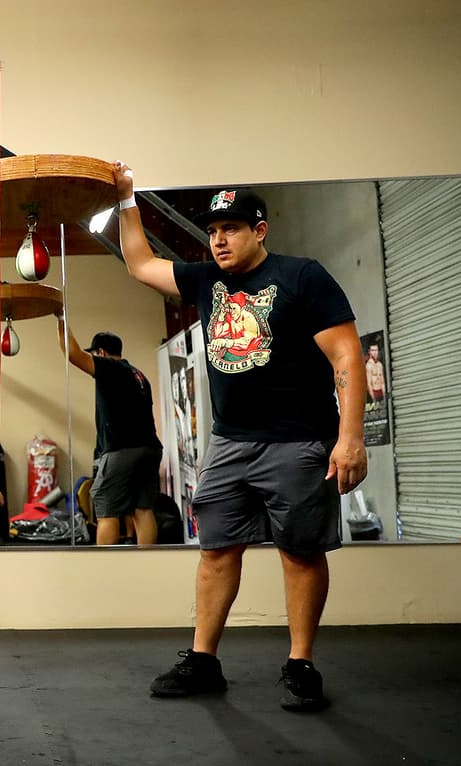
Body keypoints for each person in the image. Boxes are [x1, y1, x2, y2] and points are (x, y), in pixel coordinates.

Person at [112, 164, 367, 712]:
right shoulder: (206, 280)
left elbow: (346, 354)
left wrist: (351, 438)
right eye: (212, 230)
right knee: (216, 549)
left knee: (300, 552)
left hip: (298, 441)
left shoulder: (303, 277)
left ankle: (300, 664)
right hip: (228, 444)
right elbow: (138, 263)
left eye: (231, 227)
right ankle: (203, 660)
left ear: (260, 230)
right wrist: (127, 200)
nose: (219, 239)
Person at [56, 325, 163, 545]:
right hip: (150, 448)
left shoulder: (110, 367)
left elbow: (73, 354)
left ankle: (104, 568)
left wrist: (60, 320)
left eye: (94, 354)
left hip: (122, 450)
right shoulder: (137, 374)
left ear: (101, 353)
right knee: (142, 509)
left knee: (106, 509)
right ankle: (149, 564)